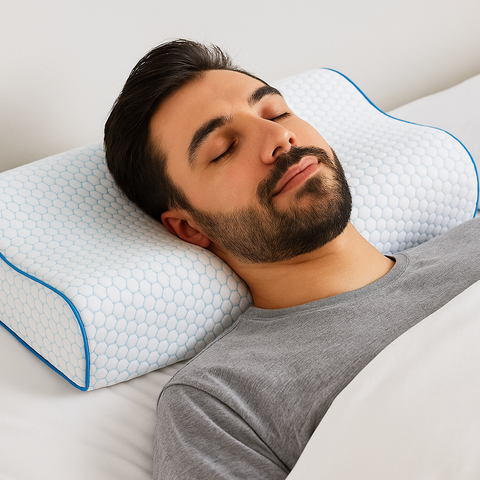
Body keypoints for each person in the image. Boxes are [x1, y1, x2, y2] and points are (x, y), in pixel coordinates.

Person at [104, 39, 480, 479]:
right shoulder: (221, 401)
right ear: (190, 228)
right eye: (224, 148)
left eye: (276, 113)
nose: (278, 138)